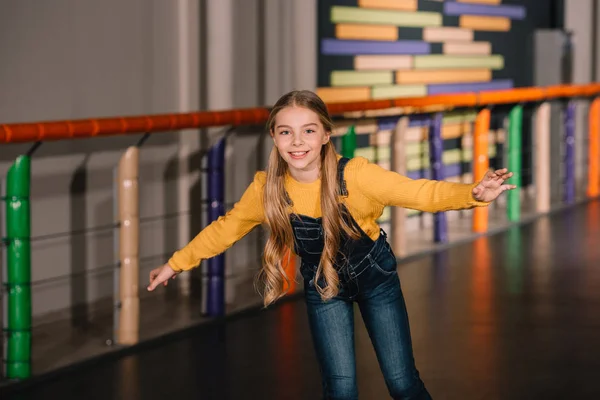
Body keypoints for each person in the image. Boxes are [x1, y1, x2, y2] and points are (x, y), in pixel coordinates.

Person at [147, 90, 515, 399]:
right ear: (273, 137)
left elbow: (418, 192)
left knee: (402, 384)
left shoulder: (356, 175)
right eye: (286, 132)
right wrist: (176, 263)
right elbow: (225, 228)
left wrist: (472, 193)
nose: (297, 142)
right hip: (324, 287)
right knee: (339, 390)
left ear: (326, 134)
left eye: (308, 130)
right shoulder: (267, 189)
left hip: (377, 279)